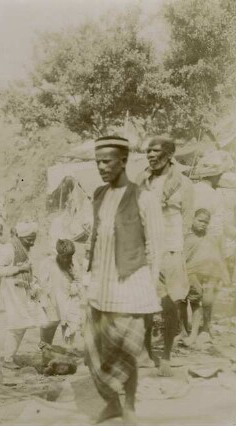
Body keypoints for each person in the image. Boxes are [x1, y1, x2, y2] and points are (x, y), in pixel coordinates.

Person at [84, 136, 163, 425]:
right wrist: (87, 278)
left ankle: (129, 406)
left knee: (127, 350)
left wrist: (149, 290)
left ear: (124, 161)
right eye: (97, 162)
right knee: (95, 349)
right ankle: (112, 403)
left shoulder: (145, 198)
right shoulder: (99, 195)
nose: (101, 167)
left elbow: (155, 244)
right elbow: (95, 238)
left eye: (107, 161)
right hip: (100, 286)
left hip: (131, 287)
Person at [136, 136, 194, 376]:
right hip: (147, 250)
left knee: (170, 305)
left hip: (171, 249)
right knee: (144, 305)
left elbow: (188, 221)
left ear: (169, 155)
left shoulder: (184, 184)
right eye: (148, 151)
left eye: (156, 151)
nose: (150, 155)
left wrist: (179, 254)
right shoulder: (143, 180)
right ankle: (146, 352)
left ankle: (167, 355)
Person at [0, 221, 40, 370]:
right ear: (21, 237)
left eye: (34, 238)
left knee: (22, 324)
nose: (32, 242)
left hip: (23, 290)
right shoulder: (9, 248)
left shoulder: (24, 247)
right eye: (29, 239)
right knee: (16, 324)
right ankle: (7, 359)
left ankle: (9, 355)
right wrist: (19, 268)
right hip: (11, 291)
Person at [183, 209, 230, 347]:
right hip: (191, 273)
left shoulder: (210, 238)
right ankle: (190, 332)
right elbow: (183, 257)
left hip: (209, 274)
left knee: (208, 301)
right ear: (193, 219)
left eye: (206, 222)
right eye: (200, 220)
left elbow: (218, 257)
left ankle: (206, 329)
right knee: (193, 300)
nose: (203, 224)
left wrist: (223, 273)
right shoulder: (186, 236)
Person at [38, 239, 82, 347]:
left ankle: (66, 357)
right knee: (47, 329)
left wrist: (74, 287)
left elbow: (78, 281)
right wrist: (46, 299)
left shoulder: (74, 264)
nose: (66, 259)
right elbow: (42, 283)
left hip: (70, 301)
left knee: (71, 330)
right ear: (58, 253)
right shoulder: (48, 263)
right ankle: (45, 358)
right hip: (52, 301)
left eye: (69, 256)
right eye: (64, 256)